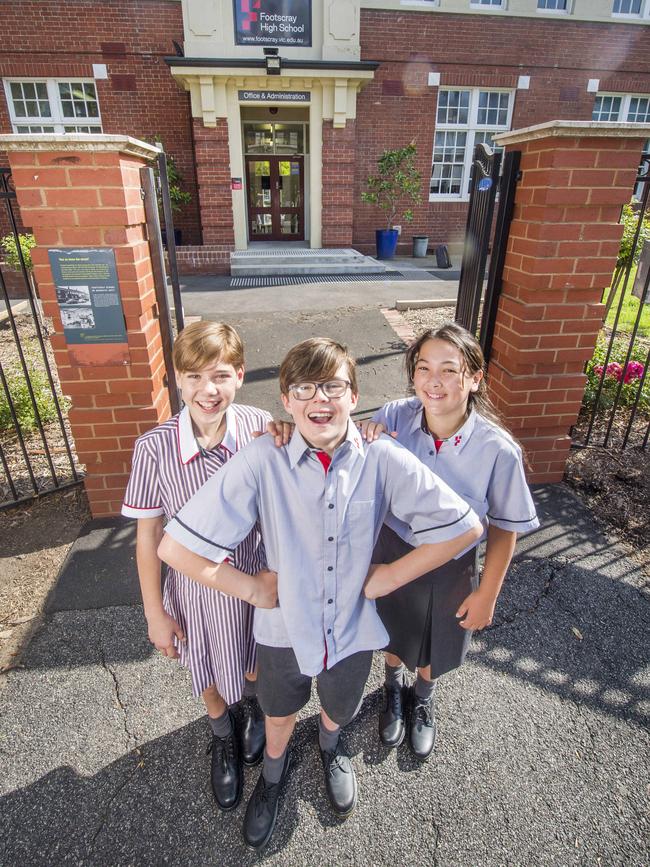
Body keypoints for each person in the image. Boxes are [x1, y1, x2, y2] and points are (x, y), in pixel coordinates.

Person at [158, 337, 483, 851]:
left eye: (333, 386)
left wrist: (388, 577)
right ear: (284, 401)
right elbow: (175, 547)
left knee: (340, 705)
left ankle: (332, 747)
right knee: (279, 710)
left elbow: (463, 526)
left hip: (353, 629)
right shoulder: (264, 457)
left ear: (355, 395)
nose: (319, 400)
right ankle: (271, 775)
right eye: (304, 388)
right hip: (283, 628)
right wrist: (251, 588)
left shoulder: (379, 454)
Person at [366, 322, 539, 761]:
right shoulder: (393, 417)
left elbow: (504, 526)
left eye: (449, 369)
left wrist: (487, 594)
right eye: (423, 368)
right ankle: (391, 687)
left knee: (434, 638)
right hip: (393, 547)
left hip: (451, 563)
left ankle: (422, 696)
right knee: (389, 628)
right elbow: (345, 445)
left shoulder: (497, 450)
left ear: (474, 378)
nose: (434, 381)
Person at [121, 321, 269, 813]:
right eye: (194, 376)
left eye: (221, 376)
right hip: (195, 591)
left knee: (252, 655)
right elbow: (148, 539)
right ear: (177, 380)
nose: (208, 390)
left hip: (251, 574)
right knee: (202, 662)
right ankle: (221, 732)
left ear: (241, 376)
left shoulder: (260, 426)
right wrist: (153, 613)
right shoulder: (154, 448)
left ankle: (251, 713)